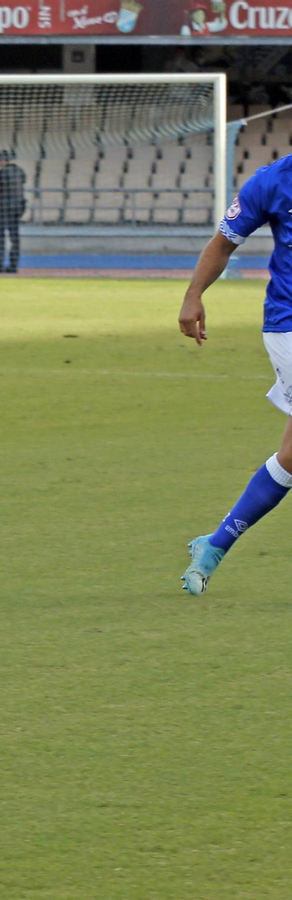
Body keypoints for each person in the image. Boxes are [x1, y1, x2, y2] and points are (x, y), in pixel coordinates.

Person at [178, 155, 292, 594]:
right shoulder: (272, 182)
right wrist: (194, 295)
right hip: (288, 325)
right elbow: (223, 243)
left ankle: (214, 544)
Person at [0, 149, 26, 273]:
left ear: (1, 160)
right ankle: (14, 265)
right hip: (18, 207)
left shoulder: (2, 172)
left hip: (6, 207)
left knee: (0, 235)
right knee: (14, 237)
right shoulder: (19, 171)